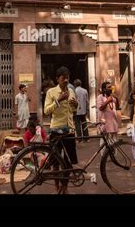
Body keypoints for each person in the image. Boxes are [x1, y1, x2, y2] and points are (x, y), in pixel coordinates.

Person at [44, 66, 78, 194]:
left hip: (69, 130)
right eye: (63, 78)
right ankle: (56, 187)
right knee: (55, 162)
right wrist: (59, 100)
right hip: (56, 131)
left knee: (68, 162)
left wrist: (75, 105)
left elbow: (73, 110)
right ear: (57, 79)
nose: (66, 80)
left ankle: (65, 187)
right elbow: (46, 111)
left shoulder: (71, 91)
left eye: (67, 78)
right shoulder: (51, 92)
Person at [97, 81, 121, 155]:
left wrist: (116, 98)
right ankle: (104, 156)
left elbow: (117, 108)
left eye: (111, 87)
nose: (111, 88)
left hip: (113, 122)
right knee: (104, 141)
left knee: (114, 141)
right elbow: (100, 108)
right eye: (109, 87)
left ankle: (113, 156)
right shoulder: (100, 97)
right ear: (104, 89)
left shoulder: (112, 97)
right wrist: (107, 101)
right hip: (104, 122)